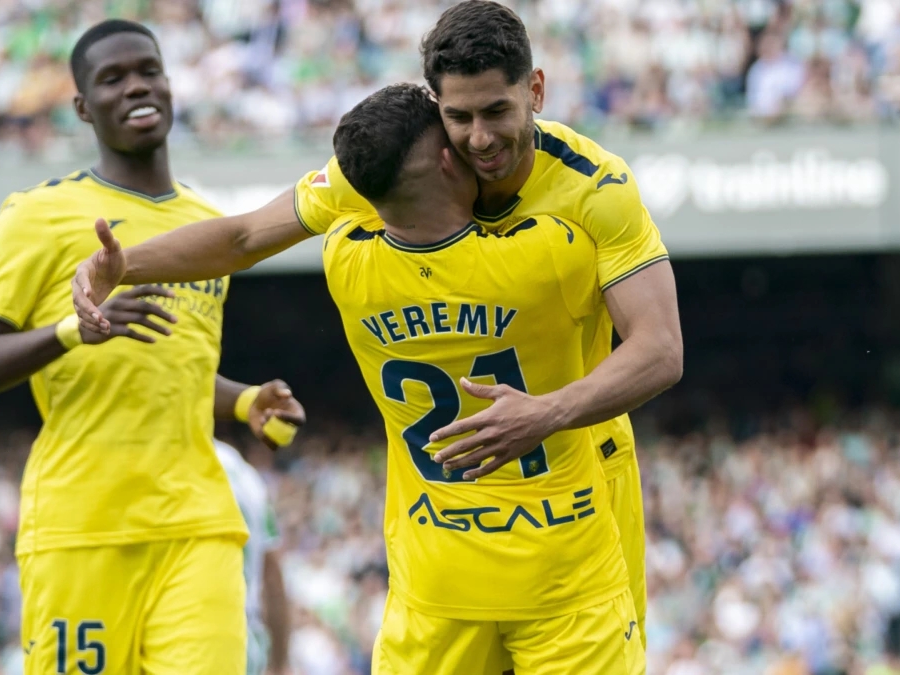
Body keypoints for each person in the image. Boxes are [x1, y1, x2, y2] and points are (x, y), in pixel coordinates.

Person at [72, 0, 682, 664]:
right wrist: (124, 263)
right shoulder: (402, 166)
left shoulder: (595, 189)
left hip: (582, 474)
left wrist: (549, 412)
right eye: (459, 118)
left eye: (497, 112)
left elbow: (659, 348)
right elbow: (245, 235)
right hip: (450, 536)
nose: (478, 139)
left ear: (534, 90)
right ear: (433, 108)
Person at [0, 19, 305, 674]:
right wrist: (69, 331)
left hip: (199, 524)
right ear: (83, 106)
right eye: (112, 78)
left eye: (148, 70)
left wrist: (245, 399)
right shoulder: (38, 215)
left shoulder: (206, 223)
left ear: (169, 83)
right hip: (83, 530)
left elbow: (175, 363)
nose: (137, 86)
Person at [338, 82, 643, 673]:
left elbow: (255, 232)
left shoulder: (342, 258)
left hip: (435, 577)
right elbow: (652, 344)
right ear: (449, 162)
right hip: (563, 563)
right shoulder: (552, 252)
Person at [213, 439, 292, 675]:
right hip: (245, 643)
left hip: (182, 638)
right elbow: (273, 579)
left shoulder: (169, 465)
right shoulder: (244, 474)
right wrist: (279, 663)